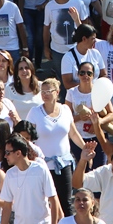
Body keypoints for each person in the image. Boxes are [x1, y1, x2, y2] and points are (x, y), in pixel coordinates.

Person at [26, 78, 86, 217]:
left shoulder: (65, 109)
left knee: (65, 202)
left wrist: (85, 148)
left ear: (57, 92)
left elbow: (73, 133)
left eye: (49, 91)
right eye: (43, 91)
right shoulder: (34, 112)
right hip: (43, 165)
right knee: (45, 203)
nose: (45, 94)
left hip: (64, 164)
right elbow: (27, 138)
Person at [43, 0, 89, 100]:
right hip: (57, 50)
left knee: (77, 78)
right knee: (61, 80)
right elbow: (46, 28)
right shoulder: (49, 6)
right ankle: (64, 103)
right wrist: (46, 47)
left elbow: (85, 27)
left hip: (75, 49)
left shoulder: (78, 3)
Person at [0, 134, 61, 224]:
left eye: (8, 153)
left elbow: (53, 199)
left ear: (18, 153)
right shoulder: (10, 174)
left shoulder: (40, 170)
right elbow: (7, 205)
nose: (5, 156)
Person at [65, 61, 113, 169]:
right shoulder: (71, 92)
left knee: (99, 169)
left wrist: (98, 123)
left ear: (94, 75)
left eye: (89, 73)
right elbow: (66, 118)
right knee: (83, 170)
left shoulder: (99, 90)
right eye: (82, 73)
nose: (85, 76)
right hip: (79, 138)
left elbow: (112, 115)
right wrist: (79, 117)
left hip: (99, 136)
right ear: (78, 74)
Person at [61, 24, 106, 90]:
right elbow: (67, 84)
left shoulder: (96, 53)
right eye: (93, 39)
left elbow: (104, 75)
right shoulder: (68, 57)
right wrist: (88, 86)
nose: (95, 41)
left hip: (96, 94)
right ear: (84, 39)